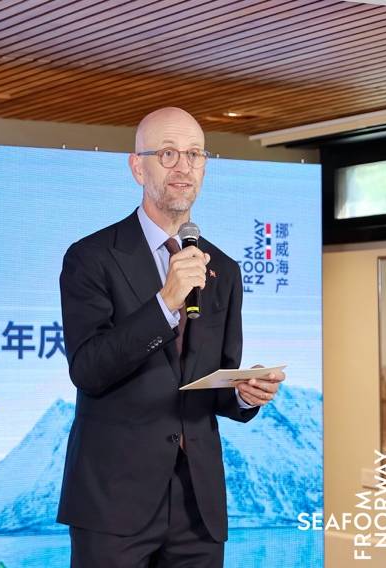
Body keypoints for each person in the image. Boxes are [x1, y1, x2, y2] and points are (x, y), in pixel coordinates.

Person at [57, 107, 285, 567]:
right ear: (137, 167)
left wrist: (244, 394)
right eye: (167, 154)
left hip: (197, 505)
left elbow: (214, 381)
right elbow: (88, 369)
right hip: (113, 500)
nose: (183, 167)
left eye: (194, 155)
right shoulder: (92, 257)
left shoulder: (223, 269)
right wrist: (165, 303)